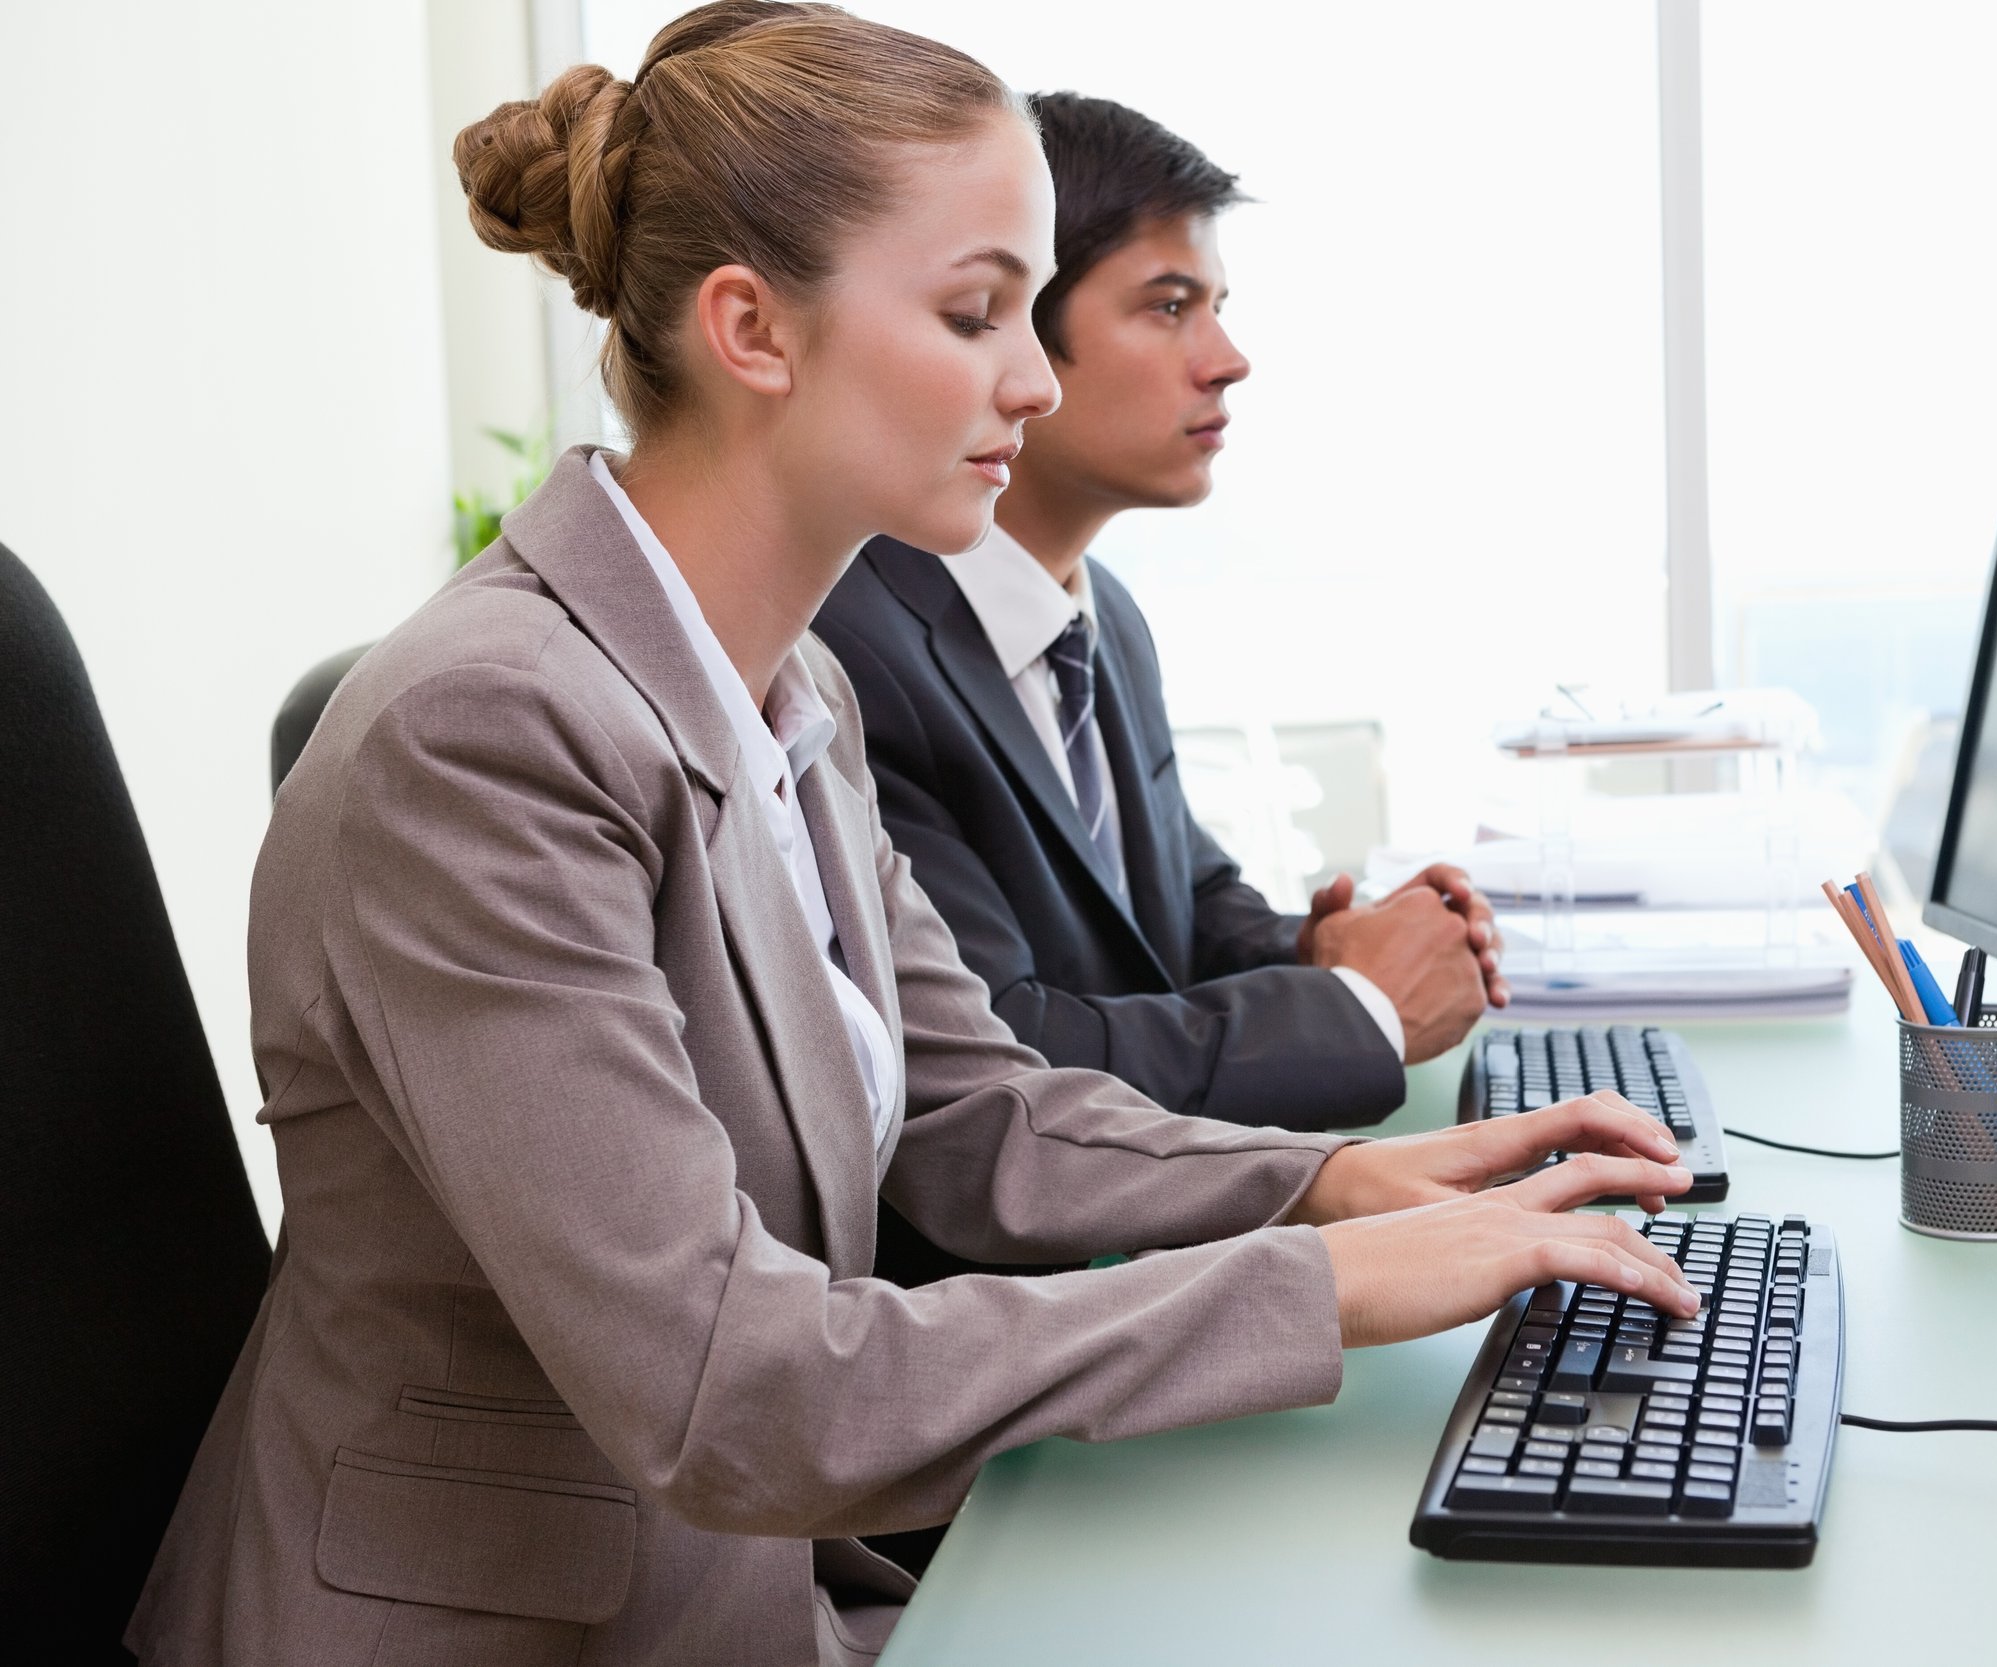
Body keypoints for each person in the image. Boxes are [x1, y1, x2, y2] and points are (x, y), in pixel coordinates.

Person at [126, 7, 1695, 1665]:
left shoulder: (784, 684)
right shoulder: (489, 735)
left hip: (737, 1578)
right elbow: (735, 1382)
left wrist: (1338, 1183)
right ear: (751, 329)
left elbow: (976, 1114)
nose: (1032, 378)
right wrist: (1332, 1289)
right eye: (975, 312)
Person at [812, 93, 1500, 1136]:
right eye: (1170, 305)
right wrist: (1358, 1008)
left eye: (1217, 304)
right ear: (1014, 326)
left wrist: (1324, 947)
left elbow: (1177, 901)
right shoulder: (853, 650)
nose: (1227, 357)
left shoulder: (1104, 620)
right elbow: (1001, 1046)